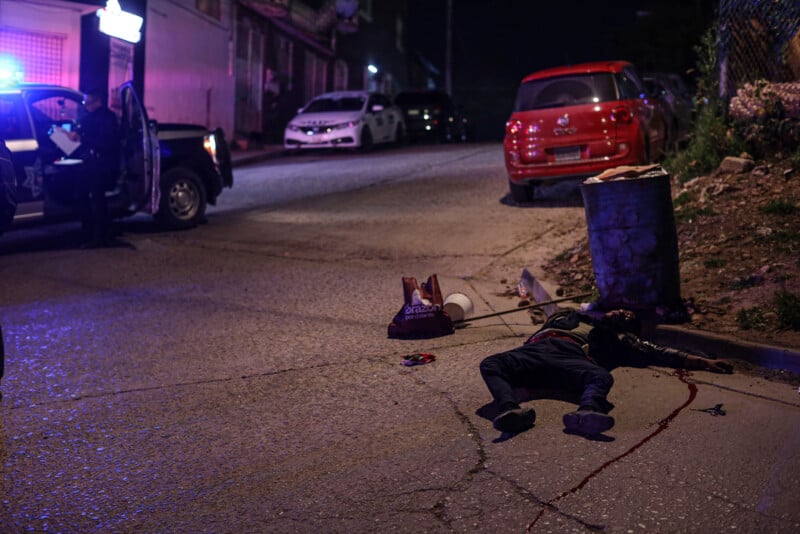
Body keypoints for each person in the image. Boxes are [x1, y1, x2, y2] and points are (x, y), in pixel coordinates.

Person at [479, 308, 734, 436]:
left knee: (600, 376)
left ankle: (588, 412)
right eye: (619, 311)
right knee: (491, 363)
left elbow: (657, 352)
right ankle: (510, 411)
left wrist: (702, 362)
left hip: (569, 356)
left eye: (626, 316)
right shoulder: (575, 316)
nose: (620, 314)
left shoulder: (617, 339)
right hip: (534, 351)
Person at [69, 88, 120, 248]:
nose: (85, 106)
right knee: (82, 196)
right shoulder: (89, 117)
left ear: (97, 101)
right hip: (89, 162)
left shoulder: (107, 118)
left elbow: (105, 142)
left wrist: (81, 138)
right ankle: (89, 232)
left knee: (97, 200)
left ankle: (99, 236)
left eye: (87, 102)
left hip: (101, 163)